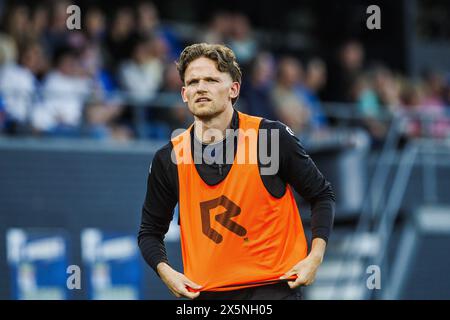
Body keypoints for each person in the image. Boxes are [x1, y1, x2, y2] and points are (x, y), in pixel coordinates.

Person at [138, 43, 335, 300]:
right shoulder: (169, 158)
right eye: (193, 82)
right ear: (184, 94)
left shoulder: (270, 137)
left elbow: (321, 195)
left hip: (274, 288)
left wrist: (315, 257)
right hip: (206, 295)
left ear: (234, 89)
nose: (201, 88)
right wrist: (166, 272)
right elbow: (149, 232)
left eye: (211, 80)